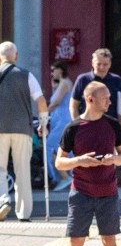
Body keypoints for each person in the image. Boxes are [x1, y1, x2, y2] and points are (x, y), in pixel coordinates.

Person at [53, 81, 121, 246]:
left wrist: (113, 159)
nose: (109, 100)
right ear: (90, 99)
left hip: (108, 192)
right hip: (81, 193)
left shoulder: (113, 125)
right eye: (105, 97)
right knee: (76, 242)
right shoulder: (73, 128)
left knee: (109, 240)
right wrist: (79, 161)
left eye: (109, 97)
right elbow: (59, 162)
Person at [0, 42, 49, 222]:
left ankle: (2, 201)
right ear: (16, 56)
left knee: (0, 168)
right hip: (22, 128)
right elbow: (41, 101)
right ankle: (24, 213)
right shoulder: (26, 75)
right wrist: (43, 122)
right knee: (22, 170)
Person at [70, 48, 121, 120]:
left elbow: (120, 107)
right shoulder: (83, 79)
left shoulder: (116, 80)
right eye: (98, 64)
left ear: (110, 65)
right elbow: (73, 105)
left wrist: (120, 129)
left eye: (105, 64)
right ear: (92, 63)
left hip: (109, 125)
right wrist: (78, 125)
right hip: (87, 123)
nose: (102, 67)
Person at [46, 61, 74, 190]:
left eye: (54, 70)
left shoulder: (65, 83)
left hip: (63, 120)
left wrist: (44, 112)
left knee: (51, 146)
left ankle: (65, 177)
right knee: (59, 147)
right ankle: (62, 175)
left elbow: (56, 102)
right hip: (57, 119)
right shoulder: (60, 84)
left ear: (60, 70)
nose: (52, 73)